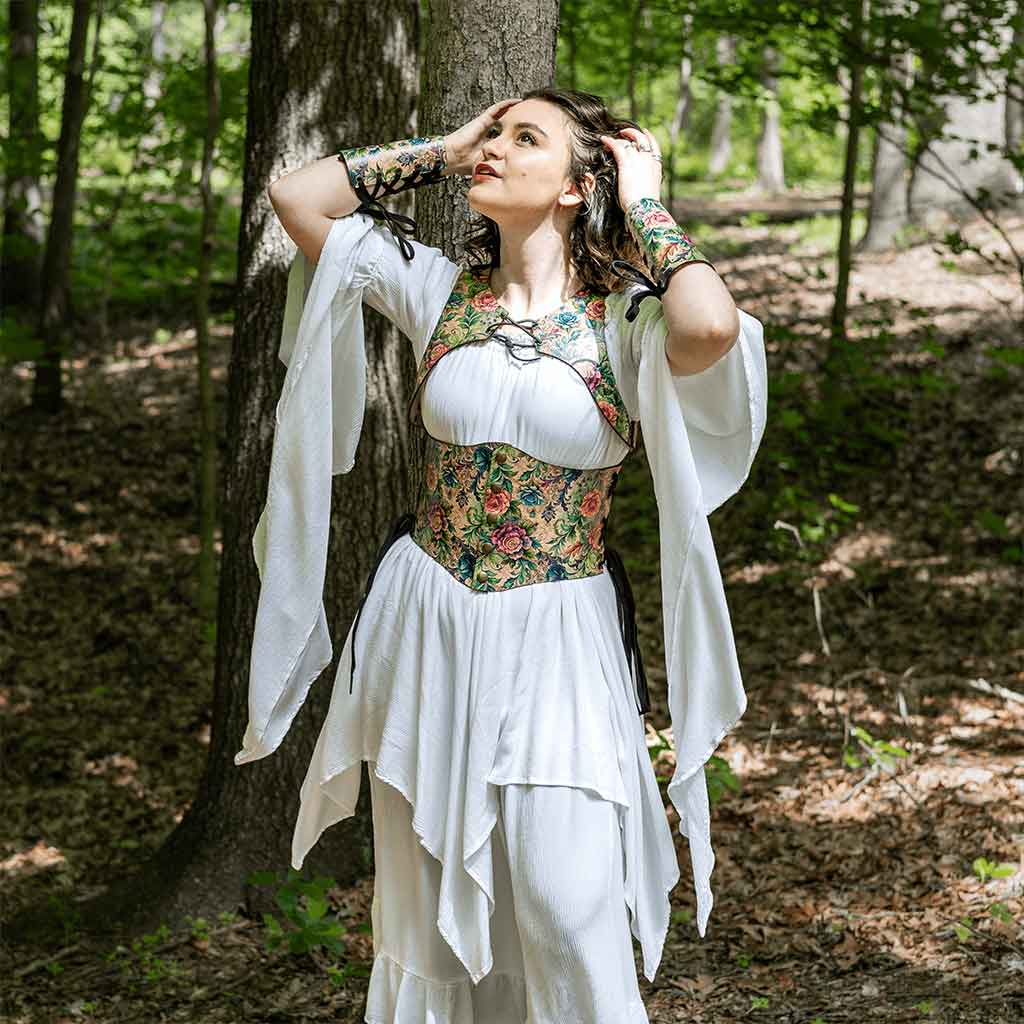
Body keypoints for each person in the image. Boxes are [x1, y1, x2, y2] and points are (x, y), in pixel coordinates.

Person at [236, 87, 768, 1023]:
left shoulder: (625, 324)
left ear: (574, 187)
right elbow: (297, 198)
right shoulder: (438, 290)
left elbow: (712, 329)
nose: (496, 148)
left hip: (558, 634)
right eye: (494, 134)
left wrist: (645, 204)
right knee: (429, 925)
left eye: (525, 139)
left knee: (568, 906)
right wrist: (444, 150)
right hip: (427, 622)